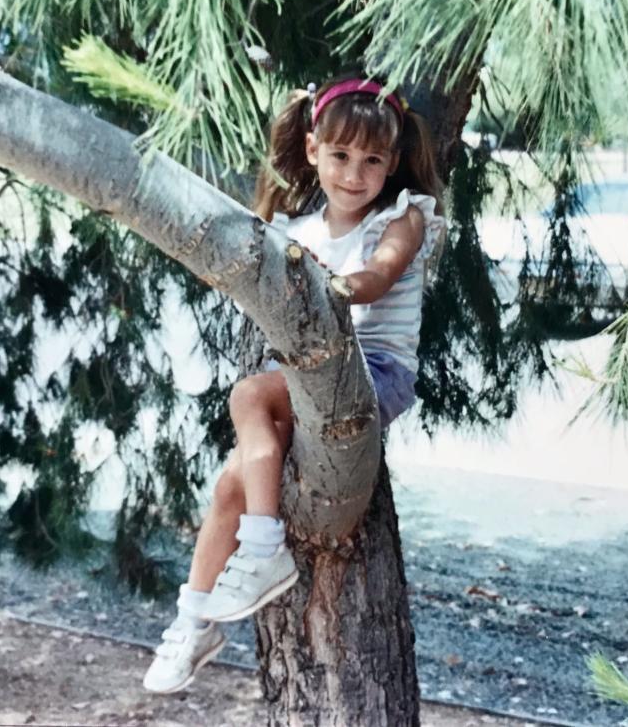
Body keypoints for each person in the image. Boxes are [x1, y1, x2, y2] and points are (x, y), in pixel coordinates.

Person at [143, 77, 446, 694]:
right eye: (340, 156)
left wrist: (338, 286)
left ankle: (262, 549)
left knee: (250, 395)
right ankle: (191, 621)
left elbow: (379, 275)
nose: (354, 173)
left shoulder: (404, 216)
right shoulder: (297, 232)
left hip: (375, 374)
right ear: (313, 151)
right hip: (309, 377)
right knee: (233, 479)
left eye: (372, 161)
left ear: (391, 165)